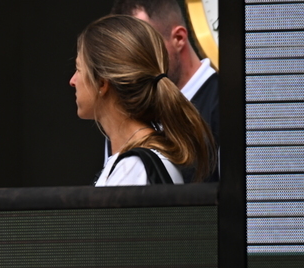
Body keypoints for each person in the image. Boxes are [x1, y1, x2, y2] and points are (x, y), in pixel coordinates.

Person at [70, 14, 215, 186]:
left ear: (102, 83)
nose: (72, 81)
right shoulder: (134, 164)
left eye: (79, 69)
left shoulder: (133, 169)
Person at [110, 0, 219, 142]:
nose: (134, 62)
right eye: (126, 52)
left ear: (179, 38)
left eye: (144, 46)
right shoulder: (129, 115)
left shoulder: (225, 107)